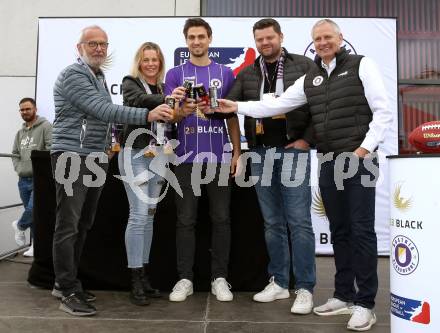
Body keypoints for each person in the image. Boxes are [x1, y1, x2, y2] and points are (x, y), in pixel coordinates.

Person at [215, 19, 392, 331]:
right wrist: (236, 105)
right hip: (327, 160)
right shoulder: (312, 76)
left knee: (361, 231)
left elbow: (383, 112)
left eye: (327, 37)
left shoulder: (362, 65)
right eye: (317, 39)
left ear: (340, 38)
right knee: (339, 230)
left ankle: (365, 304)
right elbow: (278, 105)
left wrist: (362, 151)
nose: (322, 43)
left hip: (358, 160)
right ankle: (343, 295)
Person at [50, 25, 174, 316]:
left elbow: (104, 119)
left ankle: (67, 282)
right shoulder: (74, 74)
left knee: (82, 224)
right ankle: (66, 288)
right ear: (79, 47)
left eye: (103, 44)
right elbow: (104, 111)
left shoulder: (98, 76)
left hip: (93, 157)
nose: (98, 49)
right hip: (71, 156)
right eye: (92, 43)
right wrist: (148, 113)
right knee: (68, 225)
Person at [226, 18, 316, 314]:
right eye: (260, 40)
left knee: (299, 221)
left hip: (293, 151)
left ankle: (304, 288)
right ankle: (278, 282)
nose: (265, 43)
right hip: (261, 152)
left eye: (269, 38)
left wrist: (307, 140)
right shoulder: (249, 72)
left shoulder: (303, 65)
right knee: (272, 222)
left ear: (280, 37)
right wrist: (205, 104)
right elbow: (228, 105)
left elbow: (321, 105)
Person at [164, 18, 241, 302]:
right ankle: (184, 278)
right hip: (185, 157)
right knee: (185, 220)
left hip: (219, 157)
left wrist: (237, 152)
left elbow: (232, 115)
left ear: (209, 39)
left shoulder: (226, 73)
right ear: (186, 41)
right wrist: (182, 107)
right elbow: (169, 116)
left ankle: (219, 278)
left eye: (201, 37)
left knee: (221, 218)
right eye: (191, 37)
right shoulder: (174, 74)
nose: (196, 42)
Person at [119, 41, 182, 305]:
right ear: (139, 62)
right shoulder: (130, 82)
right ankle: (134, 279)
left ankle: (144, 275)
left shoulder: (163, 87)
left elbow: (173, 120)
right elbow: (138, 101)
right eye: (146, 59)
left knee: (150, 217)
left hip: (159, 156)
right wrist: (170, 98)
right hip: (135, 152)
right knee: (138, 215)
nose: (151, 64)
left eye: (155, 59)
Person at [11, 97, 52, 257]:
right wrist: (19, 167)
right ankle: (36, 246)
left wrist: (41, 169)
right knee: (35, 215)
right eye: (22, 109)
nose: (24, 112)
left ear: (35, 109)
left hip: (40, 178)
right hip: (23, 180)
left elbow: (51, 148)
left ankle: (20, 226)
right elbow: (15, 153)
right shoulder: (19, 133)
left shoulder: (46, 126)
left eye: (27, 109)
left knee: (33, 209)